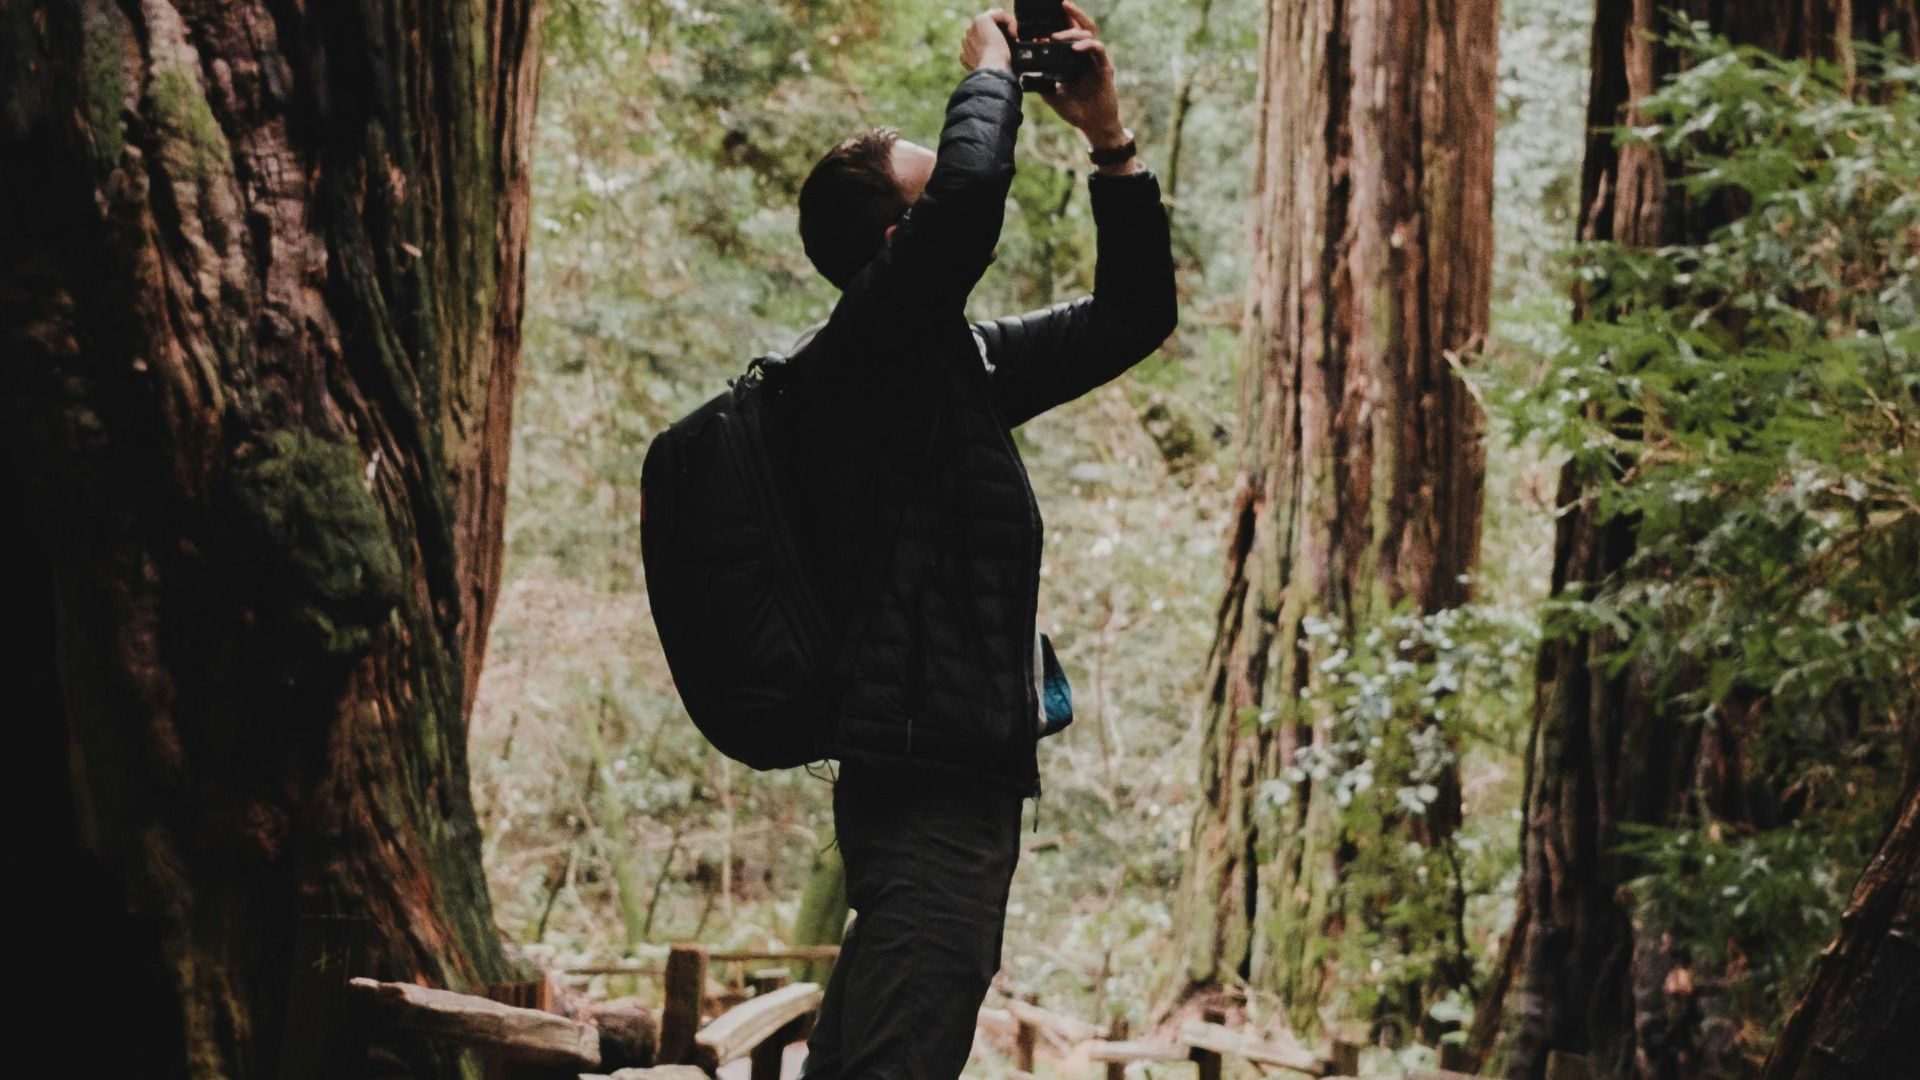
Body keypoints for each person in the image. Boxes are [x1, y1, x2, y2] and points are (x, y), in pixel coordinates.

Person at [770, 5, 1175, 1079]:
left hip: (961, 778)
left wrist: (1109, 141)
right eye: (925, 188)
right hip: (924, 787)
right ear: (898, 244)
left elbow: (1134, 316)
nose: (949, 191)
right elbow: (967, 209)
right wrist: (989, 72)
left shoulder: (958, 370)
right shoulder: (859, 361)